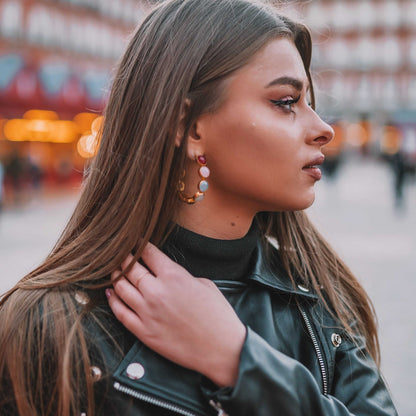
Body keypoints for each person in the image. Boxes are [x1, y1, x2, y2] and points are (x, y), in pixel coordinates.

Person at [0, 1, 397, 415]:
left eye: (309, 103)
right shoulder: (47, 331)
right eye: (286, 102)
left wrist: (238, 359)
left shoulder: (323, 301)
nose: (323, 128)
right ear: (188, 127)